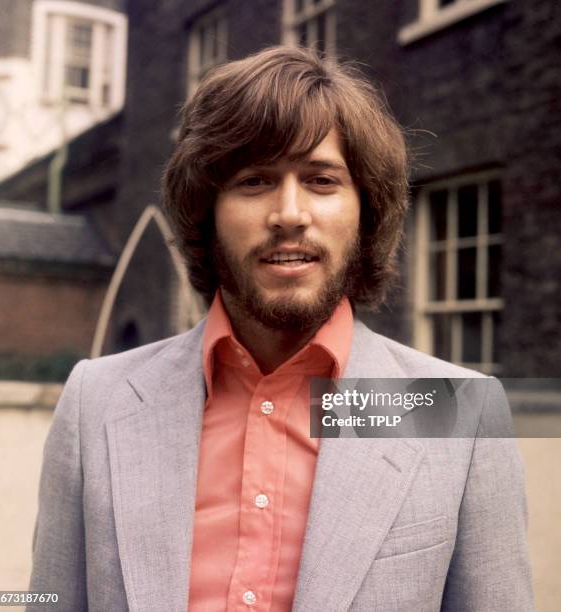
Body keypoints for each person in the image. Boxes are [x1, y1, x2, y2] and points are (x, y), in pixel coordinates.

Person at [29, 46, 533, 611]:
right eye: (254, 181)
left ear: (366, 212)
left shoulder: (455, 413)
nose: (289, 213)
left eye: (322, 180)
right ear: (207, 211)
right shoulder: (95, 402)